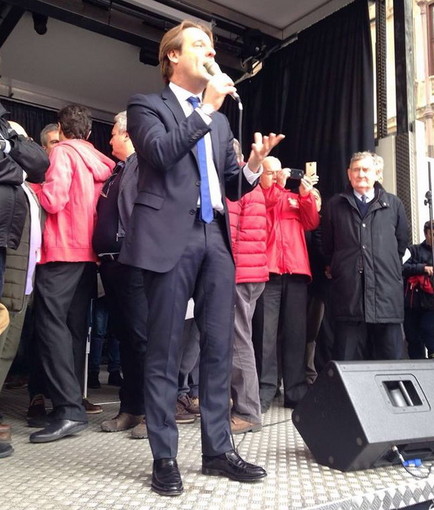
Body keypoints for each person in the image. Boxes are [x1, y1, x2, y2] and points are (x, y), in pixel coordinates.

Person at [119, 19, 284, 496]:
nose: (209, 53)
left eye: (212, 47)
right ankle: (164, 456)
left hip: (216, 237)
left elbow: (230, 183)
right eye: (199, 45)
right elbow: (160, 153)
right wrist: (205, 111)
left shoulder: (221, 121)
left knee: (218, 349)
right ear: (172, 55)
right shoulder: (147, 105)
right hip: (170, 236)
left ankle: (218, 451)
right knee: (165, 349)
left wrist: (252, 167)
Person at [29, 104, 114, 444]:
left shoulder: (62, 153)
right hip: (87, 255)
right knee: (76, 330)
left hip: (62, 250)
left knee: (49, 327)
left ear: (61, 130)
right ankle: (72, 401)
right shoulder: (100, 161)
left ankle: (67, 410)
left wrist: (34, 189)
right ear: (89, 132)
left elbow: (53, 200)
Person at [322, 151, 408, 361]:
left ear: (377, 173)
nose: (361, 174)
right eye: (356, 169)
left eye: (366, 169)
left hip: (385, 294)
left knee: (391, 361)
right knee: (347, 362)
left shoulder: (394, 204)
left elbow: (401, 244)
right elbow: (328, 245)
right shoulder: (335, 205)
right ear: (348, 174)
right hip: (349, 295)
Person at [92, 110, 146, 437]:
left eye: (113, 132)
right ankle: (130, 408)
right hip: (112, 265)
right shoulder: (118, 170)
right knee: (125, 338)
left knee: (144, 340)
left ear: (127, 134)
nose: (110, 138)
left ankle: (154, 412)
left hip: (134, 263)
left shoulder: (143, 166)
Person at [253, 157, 319, 412]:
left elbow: (312, 221)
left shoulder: (293, 197)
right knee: (265, 334)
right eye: (269, 172)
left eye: (278, 171)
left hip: (296, 271)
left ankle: (295, 390)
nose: (275, 175)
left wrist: (305, 195)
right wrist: (273, 186)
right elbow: (265, 207)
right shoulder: (259, 194)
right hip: (268, 271)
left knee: (295, 333)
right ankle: (265, 389)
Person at [0, 116, 49, 459]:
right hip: (10, 270)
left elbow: (37, 164)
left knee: (8, 345)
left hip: (28, 276)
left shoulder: (28, 189)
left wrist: (15, 137)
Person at [402, 220, 434, 359]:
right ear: (426, 234)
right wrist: (422, 269)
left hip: (431, 305)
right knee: (413, 338)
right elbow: (401, 267)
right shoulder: (413, 250)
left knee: (428, 330)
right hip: (412, 304)